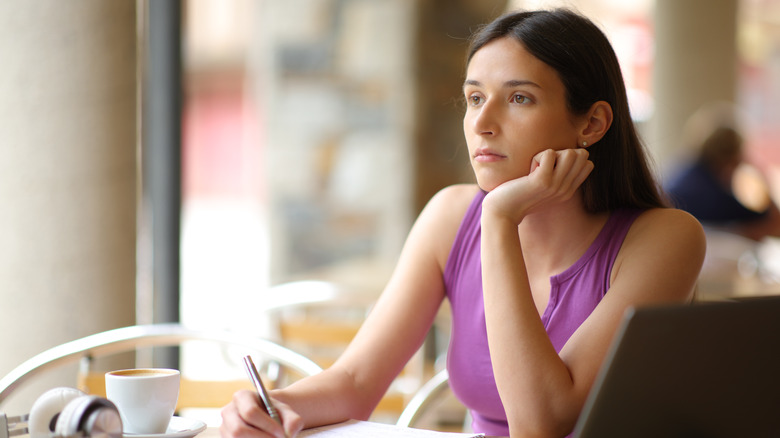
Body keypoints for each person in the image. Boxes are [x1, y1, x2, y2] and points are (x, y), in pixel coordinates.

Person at [221, 9, 705, 438]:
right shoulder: (450, 216)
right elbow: (356, 381)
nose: (482, 123)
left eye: (519, 99)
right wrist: (271, 408)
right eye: (475, 98)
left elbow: (542, 424)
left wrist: (498, 219)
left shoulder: (665, 238)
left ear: (593, 124)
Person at [666, 102, 780, 241]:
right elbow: (775, 224)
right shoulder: (713, 196)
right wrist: (761, 174)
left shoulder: (683, 176)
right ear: (734, 157)